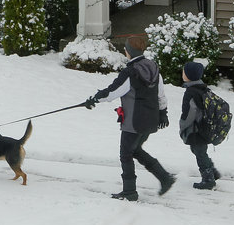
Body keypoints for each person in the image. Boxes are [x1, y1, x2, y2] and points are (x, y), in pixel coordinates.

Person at [84, 35, 175, 201]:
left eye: (125, 49)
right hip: (151, 119)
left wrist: (94, 99)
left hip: (134, 122)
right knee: (136, 150)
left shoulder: (130, 73)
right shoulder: (153, 68)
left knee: (126, 153)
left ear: (129, 52)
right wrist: (163, 113)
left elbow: (113, 92)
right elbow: (160, 93)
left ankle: (129, 192)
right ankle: (165, 178)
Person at [179, 61, 221, 190]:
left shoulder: (191, 92)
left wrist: (183, 126)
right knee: (198, 150)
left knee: (199, 152)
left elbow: (189, 113)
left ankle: (208, 179)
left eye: (184, 72)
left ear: (189, 75)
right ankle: (212, 171)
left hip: (197, 129)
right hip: (204, 127)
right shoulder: (202, 88)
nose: (182, 74)